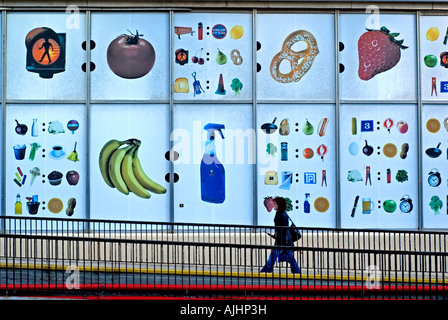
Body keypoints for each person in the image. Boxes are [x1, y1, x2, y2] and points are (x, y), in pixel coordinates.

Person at [261, 196, 301, 274]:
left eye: (275, 204)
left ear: (280, 205)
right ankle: (296, 272)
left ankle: (266, 271)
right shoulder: (280, 213)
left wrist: (278, 238)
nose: (273, 205)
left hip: (283, 241)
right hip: (284, 241)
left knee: (274, 256)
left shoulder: (282, 215)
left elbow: (283, 229)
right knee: (289, 258)